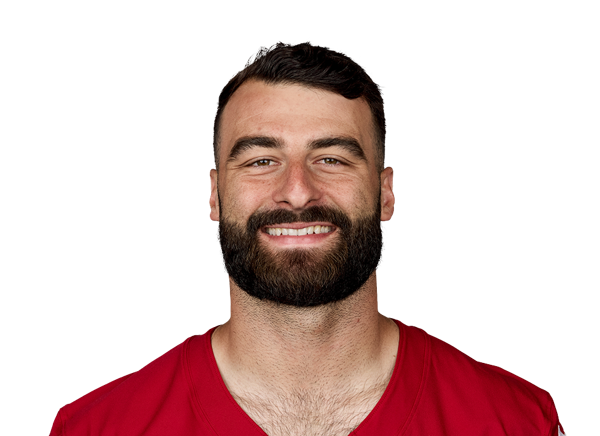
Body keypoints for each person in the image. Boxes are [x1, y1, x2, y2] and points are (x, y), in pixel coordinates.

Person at [49, 42, 566, 436]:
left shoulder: (518, 422)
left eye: (332, 158)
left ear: (386, 192)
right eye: (261, 160)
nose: (297, 191)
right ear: (214, 195)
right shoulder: (95, 428)